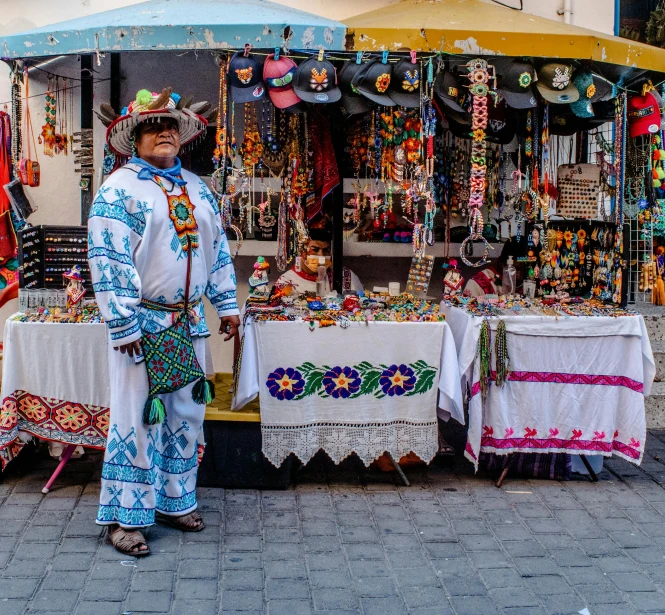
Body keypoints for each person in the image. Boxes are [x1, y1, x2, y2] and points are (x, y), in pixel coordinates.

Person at [88, 88, 239, 556]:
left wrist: (227, 302)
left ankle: (175, 500)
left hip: (189, 323)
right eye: (154, 126)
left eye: (172, 126)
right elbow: (108, 258)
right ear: (135, 136)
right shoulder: (118, 190)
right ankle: (124, 517)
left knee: (188, 415)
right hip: (143, 326)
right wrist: (122, 322)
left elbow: (217, 252)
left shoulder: (198, 189)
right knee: (136, 419)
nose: (166, 132)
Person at [276, 226, 363, 294]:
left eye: (326, 250)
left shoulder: (345, 276)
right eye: (315, 250)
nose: (321, 255)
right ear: (301, 252)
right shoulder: (286, 281)